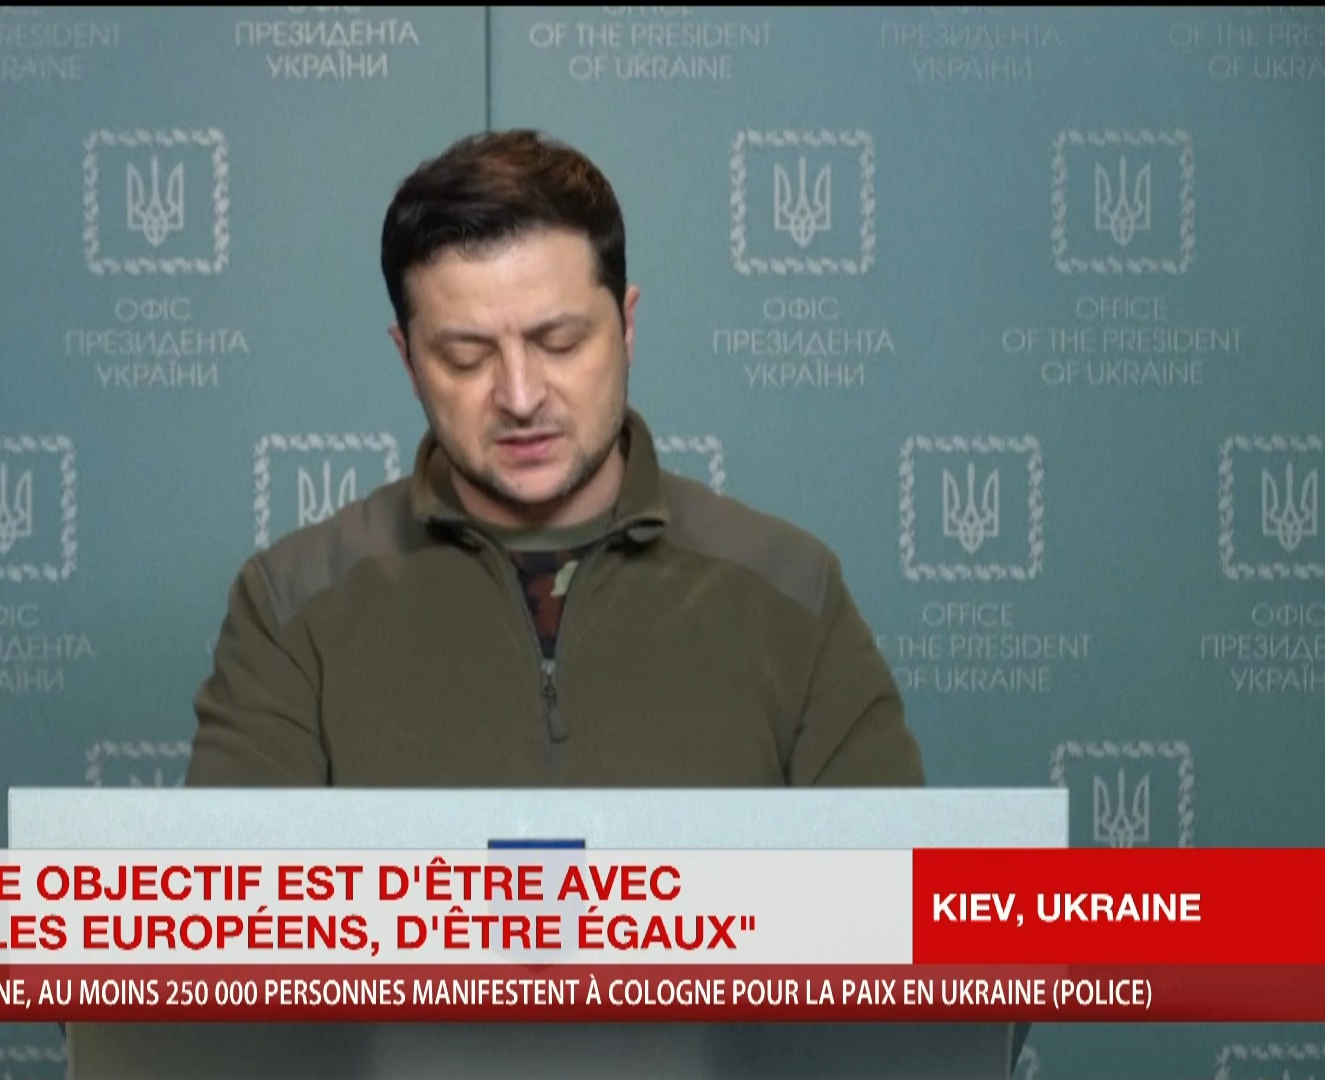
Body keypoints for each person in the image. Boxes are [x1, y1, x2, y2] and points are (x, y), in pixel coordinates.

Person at [186, 129, 923, 788]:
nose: (520, 395)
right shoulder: (291, 607)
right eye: (466, 356)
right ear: (408, 362)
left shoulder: (793, 593)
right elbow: (238, 896)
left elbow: (898, 890)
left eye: (559, 343)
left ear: (626, 328)